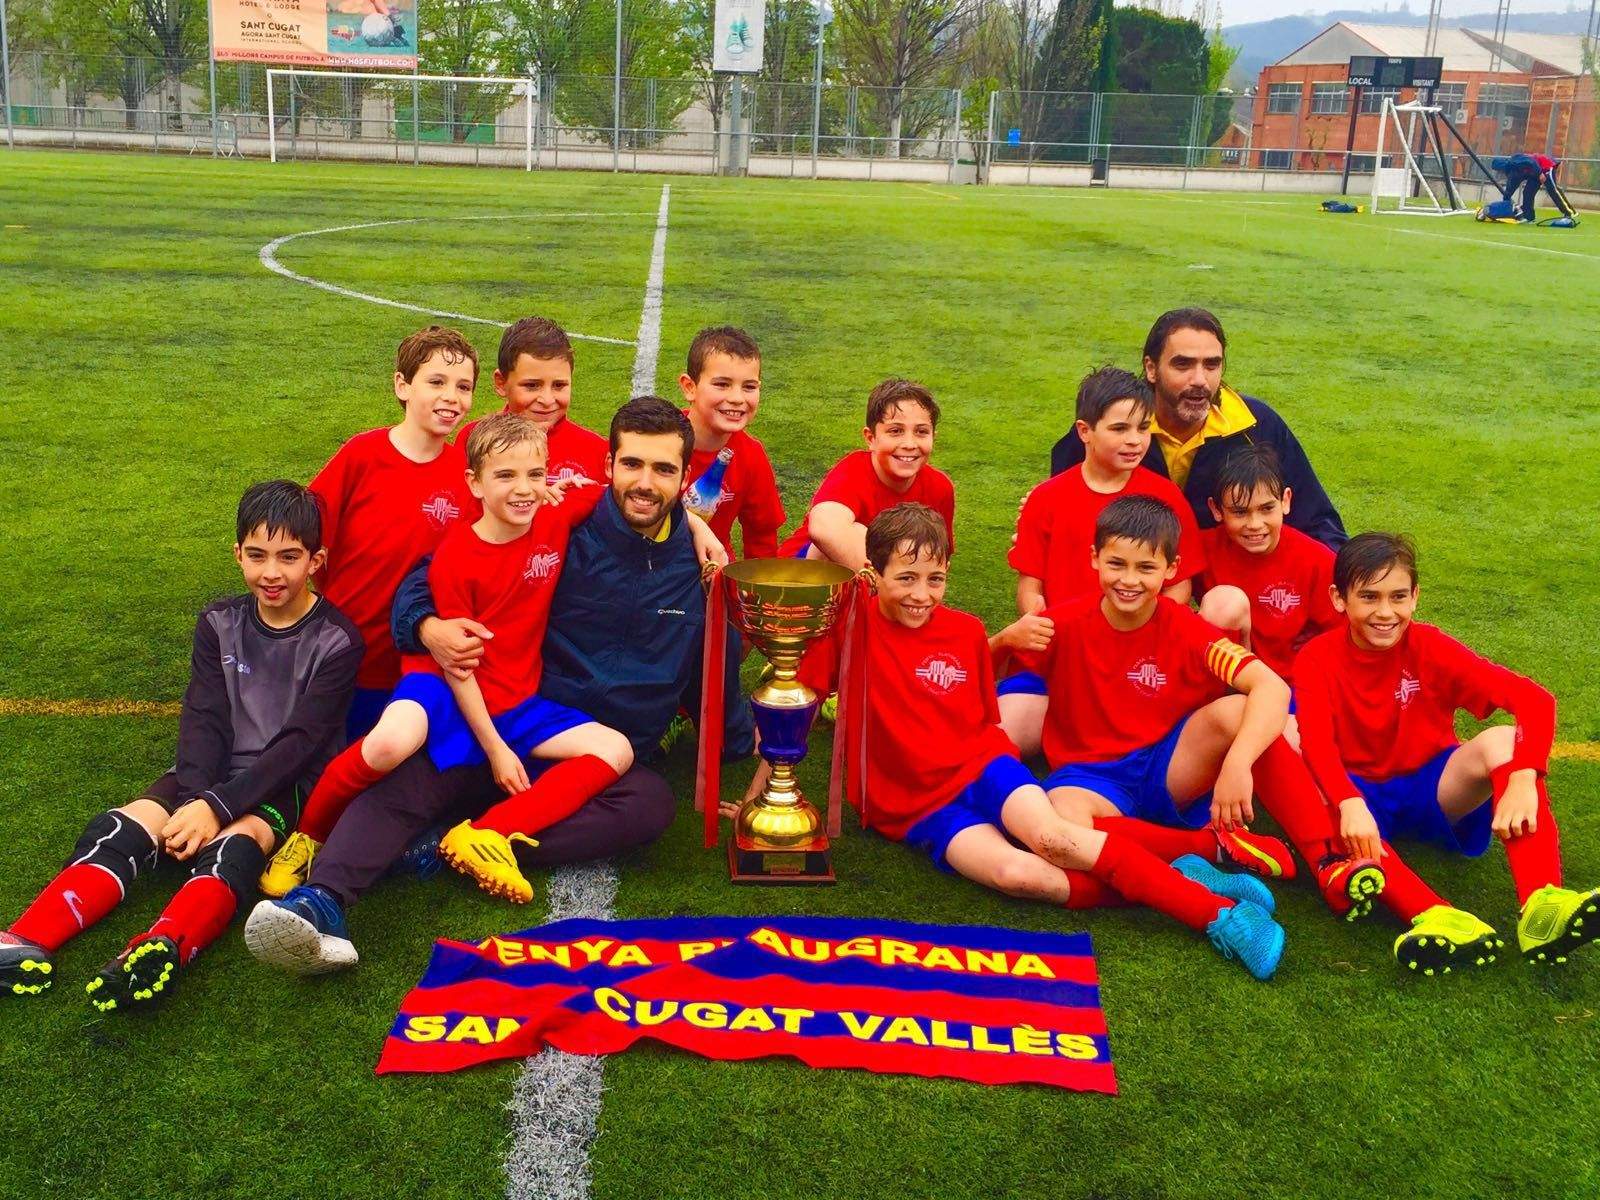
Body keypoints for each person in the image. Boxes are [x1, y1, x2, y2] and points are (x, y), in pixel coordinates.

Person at [244, 398, 752, 974]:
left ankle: (460, 843)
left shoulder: (701, 565)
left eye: (663, 470)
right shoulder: (561, 521)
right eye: (632, 464)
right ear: (608, 465)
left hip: (583, 752)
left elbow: (716, 657)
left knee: (650, 806)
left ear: (686, 478)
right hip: (510, 711)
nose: (645, 482)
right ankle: (322, 899)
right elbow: (433, 573)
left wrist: (744, 745)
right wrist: (427, 626)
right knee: (412, 777)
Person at [740, 503, 1286, 979]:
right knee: (1020, 874)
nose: (921, 594)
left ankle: (1217, 916)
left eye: (935, 578)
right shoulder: (848, 627)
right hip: (912, 806)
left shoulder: (965, 632)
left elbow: (983, 724)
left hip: (983, 766)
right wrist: (760, 795)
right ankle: (1177, 868)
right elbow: (799, 705)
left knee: (1055, 838)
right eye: (905, 578)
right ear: (872, 573)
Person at [0, 482, 362, 1007]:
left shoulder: (338, 639)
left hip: (284, 783)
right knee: (123, 825)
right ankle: (25, 940)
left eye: (289, 557)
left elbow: (300, 745)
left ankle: (161, 947)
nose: (271, 573)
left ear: (316, 560)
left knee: (235, 847)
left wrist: (216, 809)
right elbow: (203, 717)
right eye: (256, 556)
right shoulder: (219, 622)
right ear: (237, 553)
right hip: (207, 771)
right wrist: (195, 797)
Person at [262, 412, 633, 906]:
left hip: (515, 696)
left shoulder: (554, 516)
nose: (523, 489)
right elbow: (459, 665)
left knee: (615, 749)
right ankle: (310, 835)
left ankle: (486, 834)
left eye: (535, 476)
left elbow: (616, 494)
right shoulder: (457, 556)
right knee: (391, 744)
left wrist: (697, 527)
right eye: (505, 476)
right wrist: (497, 748)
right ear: (473, 483)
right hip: (447, 686)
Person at [1012, 495, 1387, 921]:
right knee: (1060, 824)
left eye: (1146, 568)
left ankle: (1326, 861)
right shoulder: (1061, 624)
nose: (1129, 580)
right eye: (1117, 564)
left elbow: (1269, 687)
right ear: (1095, 559)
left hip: (1168, 765)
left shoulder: (1186, 628)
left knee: (1238, 711)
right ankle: (1210, 849)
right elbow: (986, 676)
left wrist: (1237, 765)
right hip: (1089, 778)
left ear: (1171, 570)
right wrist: (1004, 641)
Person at [1294, 532, 1598, 972]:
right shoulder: (1317, 658)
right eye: (1369, 597)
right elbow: (1317, 743)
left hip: (1433, 788)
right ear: (1338, 599)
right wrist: (1347, 801)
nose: (1385, 612)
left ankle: (1542, 907)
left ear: (1415, 597)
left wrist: (1523, 776)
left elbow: (1535, 700)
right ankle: (1436, 915)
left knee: (1501, 741)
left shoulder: (1431, 646)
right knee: (1312, 786)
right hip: (1361, 798)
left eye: (1398, 596)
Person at [1000, 366, 1204, 755]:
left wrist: (1141, 626)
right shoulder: (1047, 498)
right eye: (1119, 429)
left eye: (1144, 429)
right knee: (1001, 734)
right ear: (1084, 431)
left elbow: (1181, 583)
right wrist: (1037, 619)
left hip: (1135, 655)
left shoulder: (1165, 498)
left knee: (1151, 735)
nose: (1134, 441)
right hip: (1059, 660)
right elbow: (1031, 583)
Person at [308, 324, 480, 743]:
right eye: (436, 382)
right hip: (336, 653)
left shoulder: (466, 474)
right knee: (315, 767)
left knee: (380, 764)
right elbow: (307, 539)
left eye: (463, 386)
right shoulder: (362, 455)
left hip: (407, 663)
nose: (451, 397)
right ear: (402, 385)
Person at [1049, 309, 1346, 550]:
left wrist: (1336, 587)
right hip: (1135, 571)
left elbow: (1316, 521)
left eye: (1212, 365)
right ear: (1151, 369)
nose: (1200, 380)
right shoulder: (1111, 425)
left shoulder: (1256, 424)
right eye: (1183, 365)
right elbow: (1062, 510)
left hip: (1229, 577)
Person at [1193, 444, 1341, 690]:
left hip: (1293, 686)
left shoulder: (1317, 560)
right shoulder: (1203, 548)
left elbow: (1343, 635)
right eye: (1240, 512)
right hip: (1229, 683)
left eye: (1266, 508)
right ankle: (1217, 696)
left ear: (1285, 501)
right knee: (1224, 602)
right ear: (1216, 510)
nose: (1255, 524)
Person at [778, 378, 954, 568]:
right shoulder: (854, 470)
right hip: (796, 572)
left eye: (921, 432)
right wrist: (884, 586)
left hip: (876, 579)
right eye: (895, 431)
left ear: (933, 437)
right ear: (871, 438)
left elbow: (937, 556)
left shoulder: (939, 487)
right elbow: (823, 530)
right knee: (857, 533)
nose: (909, 444)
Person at [454, 316, 609, 488]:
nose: (547, 400)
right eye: (532, 385)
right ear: (501, 383)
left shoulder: (598, 451)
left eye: (559, 385)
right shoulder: (473, 438)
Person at [677, 325, 785, 560]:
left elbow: (762, 537)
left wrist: (756, 590)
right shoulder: (658, 439)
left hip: (712, 571)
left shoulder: (751, 455)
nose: (737, 399)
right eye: (722, 384)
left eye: (749, 387)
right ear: (689, 387)